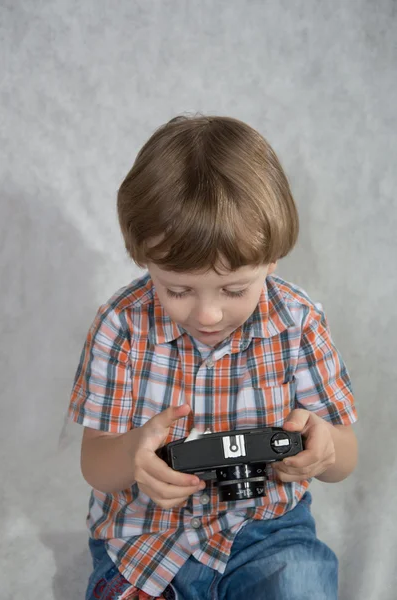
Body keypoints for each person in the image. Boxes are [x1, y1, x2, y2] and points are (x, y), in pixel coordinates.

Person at [68, 115, 358, 600]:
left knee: (301, 584)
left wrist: (323, 449)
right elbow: (95, 464)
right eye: (177, 289)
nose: (207, 313)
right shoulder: (121, 325)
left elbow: (344, 456)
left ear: (271, 260)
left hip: (266, 532)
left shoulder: (298, 322)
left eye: (234, 289)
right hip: (145, 540)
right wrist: (135, 454)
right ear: (145, 261)